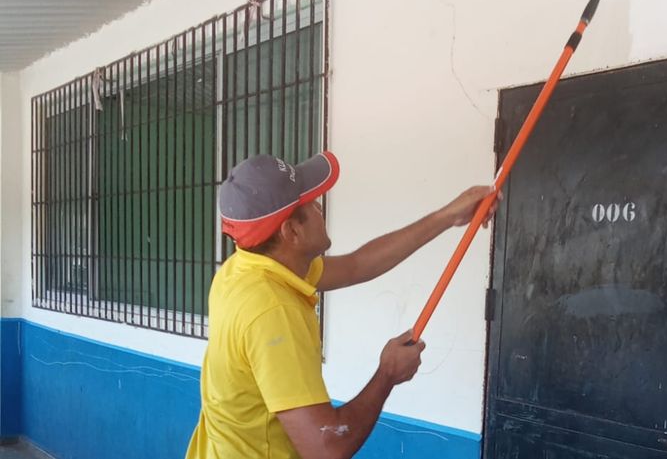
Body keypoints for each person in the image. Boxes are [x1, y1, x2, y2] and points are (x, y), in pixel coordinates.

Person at [185, 151, 498, 459]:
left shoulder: (244, 268)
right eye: (311, 203)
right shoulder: (272, 311)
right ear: (291, 232)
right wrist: (387, 374)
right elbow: (327, 449)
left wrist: (447, 216)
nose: (320, 205)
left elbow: (357, 265)